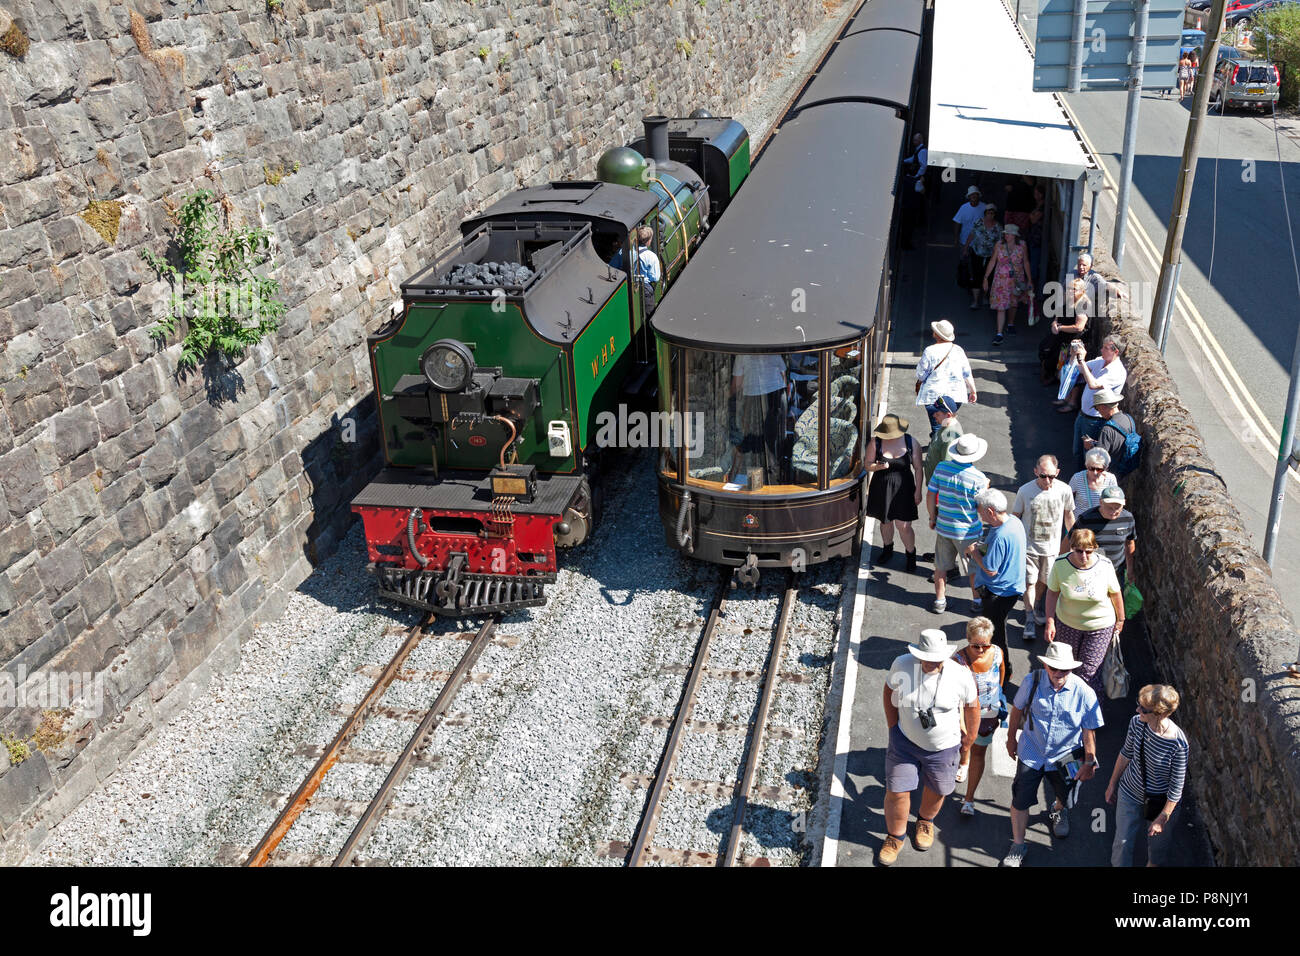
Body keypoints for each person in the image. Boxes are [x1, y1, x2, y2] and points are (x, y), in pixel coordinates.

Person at [879, 629, 980, 865]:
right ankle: (895, 836)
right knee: (897, 791)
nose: (933, 663)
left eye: (937, 659)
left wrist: (970, 738)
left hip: (944, 747)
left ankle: (925, 821)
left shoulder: (960, 675)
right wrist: (893, 727)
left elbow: (972, 706)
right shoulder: (902, 665)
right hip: (904, 742)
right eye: (928, 658)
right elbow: (889, 691)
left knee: (938, 788)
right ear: (918, 655)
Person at [1002, 641, 1103, 867]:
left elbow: (1089, 729)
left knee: (1066, 796)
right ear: (1046, 665)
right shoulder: (1032, 681)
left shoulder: (1084, 692)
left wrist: (1089, 759)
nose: (1058, 673)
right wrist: (1010, 739)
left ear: (1071, 669)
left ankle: (1058, 810)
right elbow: (1017, 710)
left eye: (1064, 669)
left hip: (1067, 756)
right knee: (1020, 800)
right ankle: (1018, 844)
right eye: (1053, 668)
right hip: (1032, 751)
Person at [1106, 684, 1189, 867]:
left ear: (1159, 714)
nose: (1137, 710)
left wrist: (1162, 818)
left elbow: (1176, 788)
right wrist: (1112, 783)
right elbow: (1125, 753)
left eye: (1143, 709)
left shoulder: (1178, 744)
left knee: (1157, 851)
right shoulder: (1137, 722)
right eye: (1138, 704)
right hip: (1130, 791)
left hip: (1159, 802)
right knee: (1122, 842)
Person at [1044, 527, 1124, 698]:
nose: (1084, 556)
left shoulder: (1105, 565)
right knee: (1066, 667)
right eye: (1079, 551)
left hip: (1100, 626)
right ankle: (1067, 703)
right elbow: (1052, 593)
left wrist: (1121, 619)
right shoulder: (1060, 564)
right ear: (1072, 548)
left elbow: (1115, 593)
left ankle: (1090, 715)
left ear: (1095, 548)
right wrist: (1050, 621)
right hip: (1067, 623)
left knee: (1089, 672)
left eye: (1088, 551)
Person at [964, 489, 1026, 690]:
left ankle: (1003, 672)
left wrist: (974, 553)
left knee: (995, 635)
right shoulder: (1014, 522)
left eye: (981, 512)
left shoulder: (1000, 535)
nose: (979, 515)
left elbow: (990, 569)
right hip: (1012, 586)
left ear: (990, 511)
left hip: (998, 592)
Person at [1012, 455, 1076, 641]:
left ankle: (1037, 603)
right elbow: (1015, 516)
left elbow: (1069, 516)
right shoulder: (1025, 491)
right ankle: (1029, 616)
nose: (1047, 480)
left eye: (1051, 476)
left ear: (1057, 473)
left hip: (1052, 548)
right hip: (1029, 547)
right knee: (1029, 582)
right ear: (1035, 472)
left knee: (1045, 581)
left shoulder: (1064, 490)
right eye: (1042, 476)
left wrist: (1073, 541)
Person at [927, 433, 990, 615]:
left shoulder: (941, 467)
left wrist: (932, 517)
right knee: (973, 569)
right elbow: (980, 507)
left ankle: (940, 601)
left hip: (944, 527)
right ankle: (977, 601)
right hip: (969, 533)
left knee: (940, 567)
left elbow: (930, 494)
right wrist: (985, 488)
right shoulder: (978, 478)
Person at [952, 617, 1006, 818]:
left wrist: (995, 699)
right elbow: (954, 696)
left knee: (978, 753)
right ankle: (962, 761)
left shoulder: (998, 653)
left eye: (986, 645)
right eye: (976, 646)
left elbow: (1001, 676)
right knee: (964, 745)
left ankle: (969, 799)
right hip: (964, 715)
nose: (981, 650)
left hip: (987, 715)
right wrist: (961, 724)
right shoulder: (957, 661)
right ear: (967, 639)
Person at [866, 414, 924, 573]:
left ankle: (910, 554)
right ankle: (887, 548)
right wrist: (878, 467)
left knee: (904, 525)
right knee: (885, 522)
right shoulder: (875, 442)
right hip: (882, 487)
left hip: (904, 488)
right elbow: (867, 465)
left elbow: (918, 468)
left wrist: (918, 491)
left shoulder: (911, 442)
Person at [729, 353, 788, 487]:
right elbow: (783, 375)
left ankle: (757, 488)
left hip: (755, 398)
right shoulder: (773, 348)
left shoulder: (742, 354)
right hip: (777, 396)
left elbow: (736, 384)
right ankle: (774, 487)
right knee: (772, 445)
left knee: (755, 446)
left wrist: (728, 399)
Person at [915, 319, 977, 438]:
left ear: (936, 334)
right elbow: (966, 372)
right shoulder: (958, 350)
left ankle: (938, 449)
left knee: (938, 427)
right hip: (956, 396)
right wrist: (973, 391)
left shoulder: (930, 351)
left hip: (933, 397)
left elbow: (921, 374)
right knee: (948, 423)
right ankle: (948, 446)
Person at [1075, 486, 1137, 589]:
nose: (1113, 511)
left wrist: (1130, 569)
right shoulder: (1086, 519)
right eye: (1109, 507)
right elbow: (1069, 542)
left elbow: (1129, 543)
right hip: (1091, 571)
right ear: (1101, 502)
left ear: (1124, 503)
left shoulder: (1128, 518)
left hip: (1116, 572)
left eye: (1117, 507)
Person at [984, 222, 1033, 345]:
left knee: (1013, 303)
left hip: (1016, 279)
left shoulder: (1022, 246)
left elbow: (1026, 262)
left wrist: (1030, 279)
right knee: (1001, 306)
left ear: (1015, 236)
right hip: (1000, 280)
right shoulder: (999, 245)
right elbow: (993, 261)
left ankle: (1010, 324)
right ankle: (999, 333)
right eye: (1006, 233)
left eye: (1010, 234)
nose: (1007, 236)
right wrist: (985, 278)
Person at [1083, 387, 1137, 476]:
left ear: (1103, 406)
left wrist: (1091, 446)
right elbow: (1117, 442)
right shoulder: (1128, 418)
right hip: (1127, 467)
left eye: (1097, 408)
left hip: (1113, 472)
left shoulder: (1107, 429)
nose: (1098, 412)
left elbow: (1100, 458)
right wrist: (1098, 443)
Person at [611, 224, 662, 307]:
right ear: (648, 241)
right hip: (644, 289)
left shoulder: (622, 252)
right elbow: (655, 277)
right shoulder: (651, 256)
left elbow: (612, 266)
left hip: (625, 286)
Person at [961, 204, 1000, 310]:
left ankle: (985, 297)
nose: (990, 215)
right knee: (976, 276)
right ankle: (975, 300)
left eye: (992, 213)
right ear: (985, 214)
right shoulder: (979, 223)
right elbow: (972, 235)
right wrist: (965, 248)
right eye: (988, 213)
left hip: (990, 256)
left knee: (988, 277)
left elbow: (1000, 242)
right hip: (977, 253)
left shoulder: (998, 227)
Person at [923, 396, 963, 486]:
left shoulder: (950, 437)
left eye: (937, 414)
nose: (934, 416)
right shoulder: (945, 425)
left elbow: (947, 468)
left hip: (938, 487)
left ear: (948, 415)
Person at [1069, 447, 1118, 517]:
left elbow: (1114, 502)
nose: (1095, 472)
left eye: (1099, 469)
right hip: (1080, 523)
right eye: (1091, 468)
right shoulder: (1077, 478)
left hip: (1101, 523)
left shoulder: (1111, 479)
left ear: (1106, 468)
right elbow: (1067, 498)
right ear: (1086, 465)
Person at [952, 185, 987, 249]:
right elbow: (957, 223)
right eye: (971, 194)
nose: (973, 196)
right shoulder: (963, 207)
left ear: (978, 195)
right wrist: (956, 238)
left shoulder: (984, 207)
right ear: (968, 197)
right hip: (964, 240)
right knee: (963, 258)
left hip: (979, 242)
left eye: (975, 194)